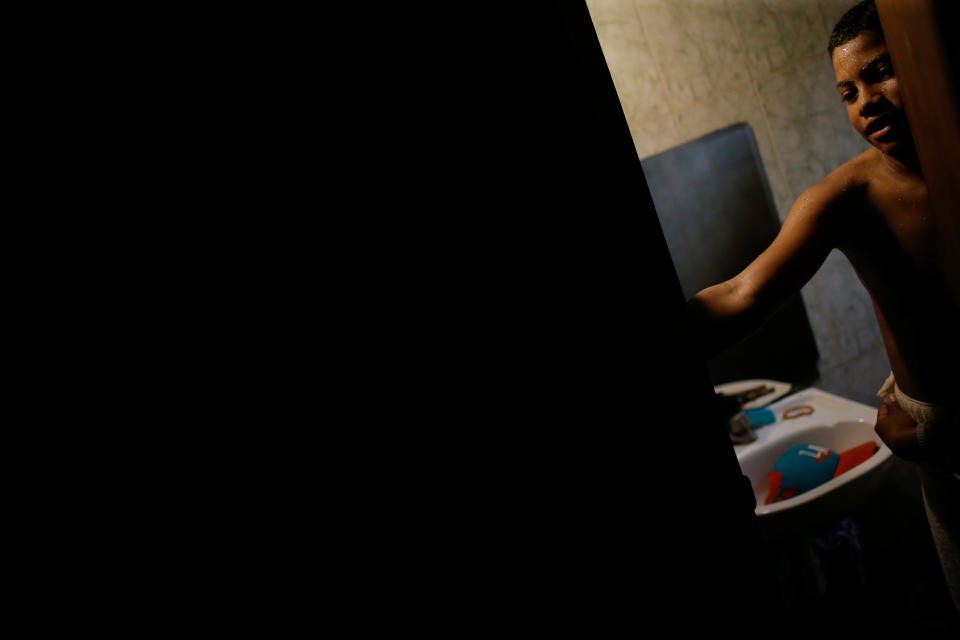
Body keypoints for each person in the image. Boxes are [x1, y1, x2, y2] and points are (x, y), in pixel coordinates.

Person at [682, 0, 959, 610]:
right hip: (932, 431)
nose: (866, 102)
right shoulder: (847, 197)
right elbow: (741, 294)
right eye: (846, 92)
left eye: (881, 71)